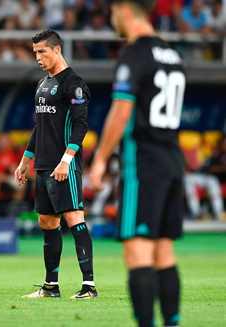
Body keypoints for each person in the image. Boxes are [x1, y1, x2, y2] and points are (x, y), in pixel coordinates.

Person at [89, 1, 186, 326]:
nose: (113, 18)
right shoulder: (173, 56)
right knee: (164, 254)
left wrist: (100, 158)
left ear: (125, 11)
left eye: (114, 11)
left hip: (143, 165)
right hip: (172, 161)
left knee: (138, 253)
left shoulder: (134, 54)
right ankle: (172, 321)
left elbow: (121, 112)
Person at [15, 29, 97, 300]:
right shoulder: (42, 84)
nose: (38, 57)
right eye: (35, 52)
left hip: (65, 166)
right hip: (44, 165)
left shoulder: (73, 83)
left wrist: (66, 160)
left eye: (42, 51)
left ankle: (89, 286)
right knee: (47, 222)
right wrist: (25, 161)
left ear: (57, 50)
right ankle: (51, 287)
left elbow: (81, 124)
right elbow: (40, 126)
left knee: (74, 218)